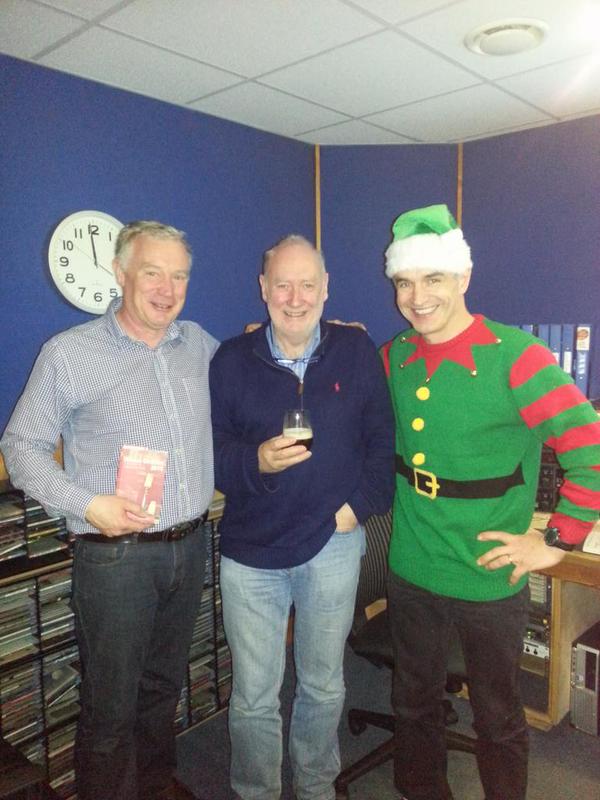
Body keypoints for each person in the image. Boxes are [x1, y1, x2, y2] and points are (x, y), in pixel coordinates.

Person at [380, 203, 600, 800]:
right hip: (412, 566)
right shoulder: (395, 356)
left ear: (464, 279)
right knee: (414, 703)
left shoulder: (516, 355)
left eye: (433, 279)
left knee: (498, 717)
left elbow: (590, 446)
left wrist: (555, 543)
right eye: (404, 281)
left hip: (488, 572)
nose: (417, 296)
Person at [1, 220, 218, 800]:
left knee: (163, 690)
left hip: (192, 545)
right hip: (116, 560)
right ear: (120, 275)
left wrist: (321, 338)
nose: (167, 288)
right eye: (152, 272)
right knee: (110, 707)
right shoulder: (69, 353)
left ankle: (152, 787)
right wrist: (87, 503)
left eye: (179, 276)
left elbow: (254, 379)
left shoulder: (198, 344)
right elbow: (19, 449)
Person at [209, 234, 395, 800]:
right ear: (263, 289)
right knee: (254, 696)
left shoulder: (356, 351)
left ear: (325, 288)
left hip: (332, 549)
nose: (295, 297)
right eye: (282, 284)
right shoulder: (231, 360)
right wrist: (256, 461)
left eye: (307, 284)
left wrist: (355, 509)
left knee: (322, 685)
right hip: (251, 557)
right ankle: (256, 792)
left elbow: (382, 443)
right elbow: (211, 456)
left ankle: (317, 787)